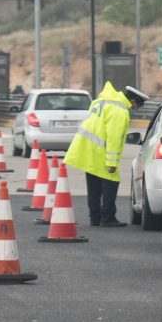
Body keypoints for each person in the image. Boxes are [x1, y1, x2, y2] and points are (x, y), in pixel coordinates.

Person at [64, 82, 148, 228]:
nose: (135, 109)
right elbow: (113, 138)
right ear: (134, 101)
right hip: (101, 153)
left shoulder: (102, 101)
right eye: (137, 106)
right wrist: (112, 163)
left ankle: (95, 217)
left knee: (94, 187)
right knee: (111, 183)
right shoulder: (119, 111)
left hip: (87, 150)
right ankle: (107, 217)